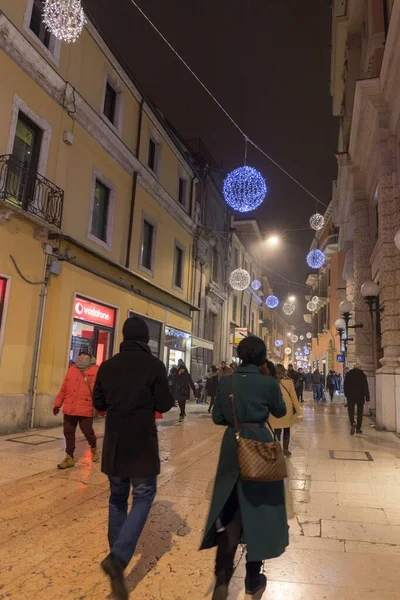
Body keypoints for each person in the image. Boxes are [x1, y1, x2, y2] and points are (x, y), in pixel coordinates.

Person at [200, 336, 288, 600]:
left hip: (233, 445)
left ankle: (223, 577)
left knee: (230, 511)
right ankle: (252, 578)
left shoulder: (226, 381)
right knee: (258, 510)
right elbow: (281, 412)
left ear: (239, 355)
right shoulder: (268, 382)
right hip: (259, 445)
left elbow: (217, 417)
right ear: (262, 358)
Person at [93, 316, 174, 600]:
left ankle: (117, 555)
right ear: (145, 340)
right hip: (141, 440)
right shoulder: (154, 366)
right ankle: (118, 558)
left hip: (115, 441)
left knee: (117, 498)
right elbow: (165, 403)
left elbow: (99, 403)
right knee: (142, 496)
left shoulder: (107, 366)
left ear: (124, 338)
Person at [53, 346, 100, 470]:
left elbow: (99, 390)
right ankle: (69, 456)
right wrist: (57, 404)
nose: (82, 356)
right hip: (70, 406)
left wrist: (100, 406)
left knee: (87, 431)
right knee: (68, 432)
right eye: (80, 354)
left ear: (90, 356)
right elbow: (64, 389)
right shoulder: (72, 370)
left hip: (86, 406)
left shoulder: (96, 370)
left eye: (84, 354)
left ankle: (94, 447)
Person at [269, 364, 302, 457]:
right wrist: (298, 412)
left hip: (275, 407)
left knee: (277, 430)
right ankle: (286, 449)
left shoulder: (271, 381)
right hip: (287, 408)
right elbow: (294, 397)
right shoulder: (289, 381)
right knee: (287, 429)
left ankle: (277, 448)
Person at [344, 364, 370, 435]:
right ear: (360, 368)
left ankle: (352, 423)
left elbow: (345, 385)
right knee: (360, 412)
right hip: (360, 396)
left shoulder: (348, 374)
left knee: (351, 411)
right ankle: (358, 428)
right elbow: (365, 386)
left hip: (350, 396)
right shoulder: (362, 375)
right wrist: (367, 397)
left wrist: (346, 395)